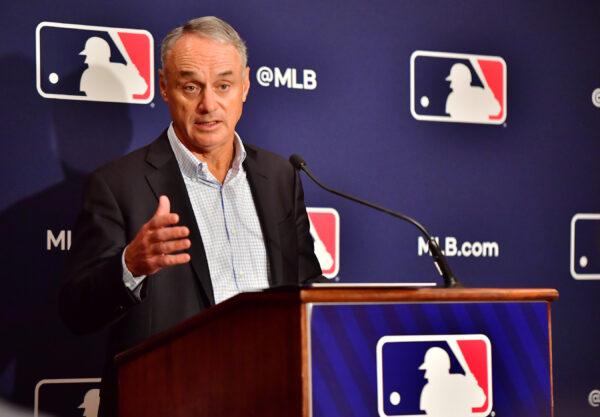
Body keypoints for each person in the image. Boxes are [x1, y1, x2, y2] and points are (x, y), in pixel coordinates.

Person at [60, 16, 322, 416]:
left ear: (245, 86)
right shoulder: (117, 185)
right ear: (164, 87)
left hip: (273, 396)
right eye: (190, 87)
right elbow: (76, 311)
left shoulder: (280, 177)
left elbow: (306, 286)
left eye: (223, 85)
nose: (208, 105)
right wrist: (130, 265)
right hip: (170, 400)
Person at [419, 347, 485, 417]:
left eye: (429, 370)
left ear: (439, 369)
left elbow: (480, 400)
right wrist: (472, 385)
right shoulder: (429, 390)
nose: (426, 376)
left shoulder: (460, 382)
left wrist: (472, 385)